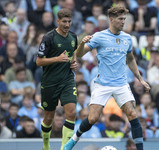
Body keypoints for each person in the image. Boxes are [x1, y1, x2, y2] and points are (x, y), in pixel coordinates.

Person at [64, 5, 150, 150]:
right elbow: (79, 55)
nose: (123, 22)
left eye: (124, 19)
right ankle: (74, 138)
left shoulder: (127, 38)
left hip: (121, 84)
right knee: (92, 119)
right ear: (111, 19)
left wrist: (140, 79)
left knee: (133, 114)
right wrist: (82, 43)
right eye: (121, 19)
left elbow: (130, 59)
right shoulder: (99, 36)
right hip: (102, 84)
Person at [36, 8, 78, 150]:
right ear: (57, 21)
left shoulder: (73, 37)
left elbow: (73, 55)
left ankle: (63, 148)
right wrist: (57, 59)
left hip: (67, 80)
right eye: (64, 22)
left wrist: (74, 63)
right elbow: (39, 61)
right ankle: (46, 145)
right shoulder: (49, 37)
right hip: (50, 82)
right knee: (48, 118)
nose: (67, 25)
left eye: (69, 21)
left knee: (72, 112)